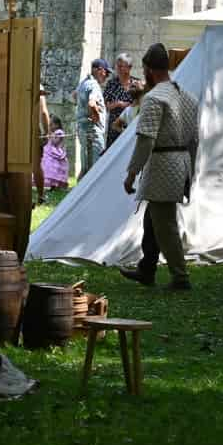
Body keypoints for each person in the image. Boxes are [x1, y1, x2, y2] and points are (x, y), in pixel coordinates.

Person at [119, 43, 200, 290]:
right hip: (181, 161)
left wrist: (131, 174)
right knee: (152, 220)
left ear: (148, 70)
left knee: (165, 223)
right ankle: (147, 268)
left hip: (164, 164)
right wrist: (191, 170)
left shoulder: (154, 98)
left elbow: (146, 140)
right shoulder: (187, 96)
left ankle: (180, 277)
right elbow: (194, 140)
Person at [75, 58, 110, 175]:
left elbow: (74, 95)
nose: (106, 77)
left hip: (83, 129)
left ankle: (78, 193)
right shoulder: (94, 85)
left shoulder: (84, 82)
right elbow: (91, 103)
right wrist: (96, 116)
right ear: (100, 70)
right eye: (107, 73)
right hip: (92, 132)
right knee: (95, 170)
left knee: (86, 168)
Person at [103, 52, 143, 149]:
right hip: (115, 127)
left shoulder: (136, 83)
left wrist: (129, 106)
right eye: (117, 66)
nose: (119, 69)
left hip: (131, 127)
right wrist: (118, 104)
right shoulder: (111, 84)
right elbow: (104, 106)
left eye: (122, 66)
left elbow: (142, 102)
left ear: (129, 67)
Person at [41, 114, 69, 190]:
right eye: (49, 125)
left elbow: (55, 142)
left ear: (57, 125)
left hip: (55, 152)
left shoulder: (59, 132)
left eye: (51, 125)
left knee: (54, 168)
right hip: (48, 151)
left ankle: (56, 184)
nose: (49, 127)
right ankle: (51, 184)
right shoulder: (52, 133)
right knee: (47, 167)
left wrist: (50, 135)